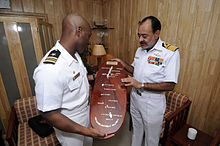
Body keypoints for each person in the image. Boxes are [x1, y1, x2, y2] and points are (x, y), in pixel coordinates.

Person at [33, 13, 109, 146]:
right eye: (88, 36)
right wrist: (88, 132)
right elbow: (49, 114)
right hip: (70, 127)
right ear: (79, 31)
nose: (88, 41)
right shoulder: (50, 68)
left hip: (86, 115)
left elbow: (77, 81)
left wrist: (97, 77)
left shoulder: (75, 55)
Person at [114, 16, 180, 146]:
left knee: (151, 139)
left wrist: (141, 84)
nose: (140, 40)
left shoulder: (170, 53)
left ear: (156, 34)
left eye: (144, 36)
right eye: (139, 35)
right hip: (135, 99)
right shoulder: (140, 50)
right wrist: (122, 64)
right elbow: (135, 70)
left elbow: (170, 84)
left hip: (152, 103)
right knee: (136, 131)